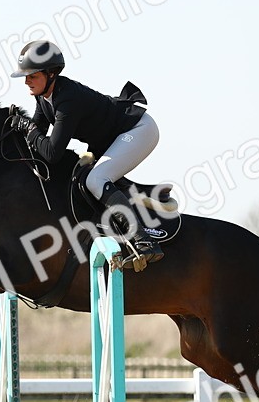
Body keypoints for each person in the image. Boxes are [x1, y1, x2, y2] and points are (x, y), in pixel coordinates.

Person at [10, 40, 163, 270]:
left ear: (51, 74)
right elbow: (38, 136)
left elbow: (51, 152)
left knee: (96, 179)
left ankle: (145, 242)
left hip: (138, 131)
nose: (26, 81)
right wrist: (18, 130)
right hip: (114, 137)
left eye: (32, 75)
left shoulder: (67, 99)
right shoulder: (43, 97)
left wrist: (28, 129)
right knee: (83, 177)